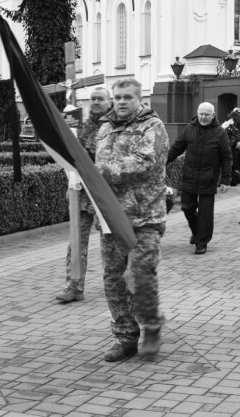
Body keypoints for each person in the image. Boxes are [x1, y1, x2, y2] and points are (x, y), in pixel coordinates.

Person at [95, 78, 169, 362]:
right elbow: (95, 169)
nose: (122, 101)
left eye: (128, 97)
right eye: (118, 97)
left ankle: (151, 327)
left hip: (145, 217)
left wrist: (101, 169)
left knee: (139, 275)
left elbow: (145, 162)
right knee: (113, 279)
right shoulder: (104, 128)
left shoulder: (153, 127)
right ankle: (125, 336)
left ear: (141, 99)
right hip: (112, 217)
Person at [56, 87, 113, 303]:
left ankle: (116, 285)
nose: (96, 102)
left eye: (101, 99)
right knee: (76, 242)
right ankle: (74, 286)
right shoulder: (83, 125)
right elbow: (70, 151)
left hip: (105, 194)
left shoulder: (113, 126)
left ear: (110, 101)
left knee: (110, 244)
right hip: (81, 194)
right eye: (93, 99)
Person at [167, 102, 232, 255]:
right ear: (197, 113)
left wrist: (226, 179)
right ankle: (197, 232)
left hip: (208, 178)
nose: (203, 117)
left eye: (207, 114)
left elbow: (226, 157)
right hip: (189, 176)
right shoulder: (190, 128)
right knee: (187, 207)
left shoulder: (220, 133)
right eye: (201, 114)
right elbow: (177, 147)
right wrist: (162, 162)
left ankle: (201, 242)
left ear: (213, 115)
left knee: (205, 213)